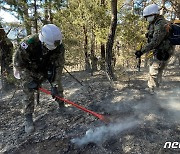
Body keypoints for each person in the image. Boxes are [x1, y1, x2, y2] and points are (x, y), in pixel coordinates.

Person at [13, 24, 65, 134]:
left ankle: (62, 106)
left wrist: (54, 85)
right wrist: (28, 80)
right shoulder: (28, 44)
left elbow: (58, 66)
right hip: (29, 70)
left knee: (58, 85)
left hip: (47, 69)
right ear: (43, 41)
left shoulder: (59, 46)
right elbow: (18, 64)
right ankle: (28, 118)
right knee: (28, 92)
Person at [135, 4, 175, 94]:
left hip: (163, 52)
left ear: (154, 14)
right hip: (160, 51)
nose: (146, 19)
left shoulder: (161, 24)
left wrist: (141, 51)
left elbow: (155, 42)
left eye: (147, 17)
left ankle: (152, 93)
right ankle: (156, 90)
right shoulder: (154, 23)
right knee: (157, 71)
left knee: (153, 71)